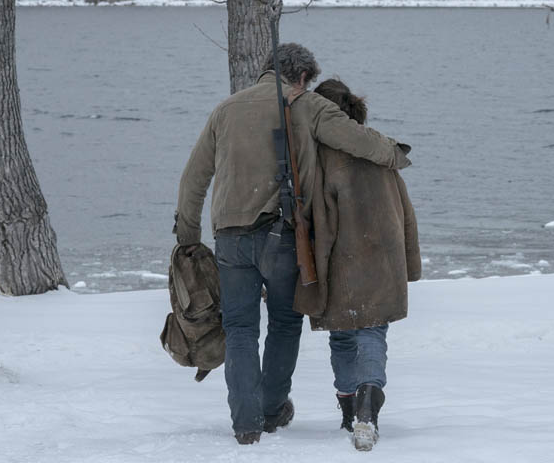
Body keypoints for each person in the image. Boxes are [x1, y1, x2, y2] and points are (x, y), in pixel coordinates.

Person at [174, 43, 411, 445]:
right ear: (302, 77)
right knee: (284, 323)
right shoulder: (304, 105)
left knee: (240, 328)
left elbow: (194, 178)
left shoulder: (225, 109)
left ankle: (246, 424)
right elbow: (357, 140)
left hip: (229, 237)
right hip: (280, 236)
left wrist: (188, 238)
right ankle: (271, 408)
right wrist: (396, 154)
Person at [308, 78, 421, 452]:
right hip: (384, 257)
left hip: (343, 259)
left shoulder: (323, 157)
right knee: (372, 332)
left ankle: (348, 408)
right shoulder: (381, 149)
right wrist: (409, 263)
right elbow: (405, 210)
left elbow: (321, 221)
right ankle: (368, 407)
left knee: (342, 335)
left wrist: (311, 274)